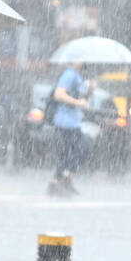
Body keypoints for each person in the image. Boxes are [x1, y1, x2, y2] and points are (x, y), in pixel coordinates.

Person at [47, 61, 90, 196]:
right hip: (65, 122)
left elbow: (82, 98)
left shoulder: (78, 76)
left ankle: (60, 181)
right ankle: (60, 182)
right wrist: (78, 103)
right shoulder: (69, 74)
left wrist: (91, 89)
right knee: (74, 151)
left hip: (73, 122)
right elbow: (59, 95)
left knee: (70, 152)